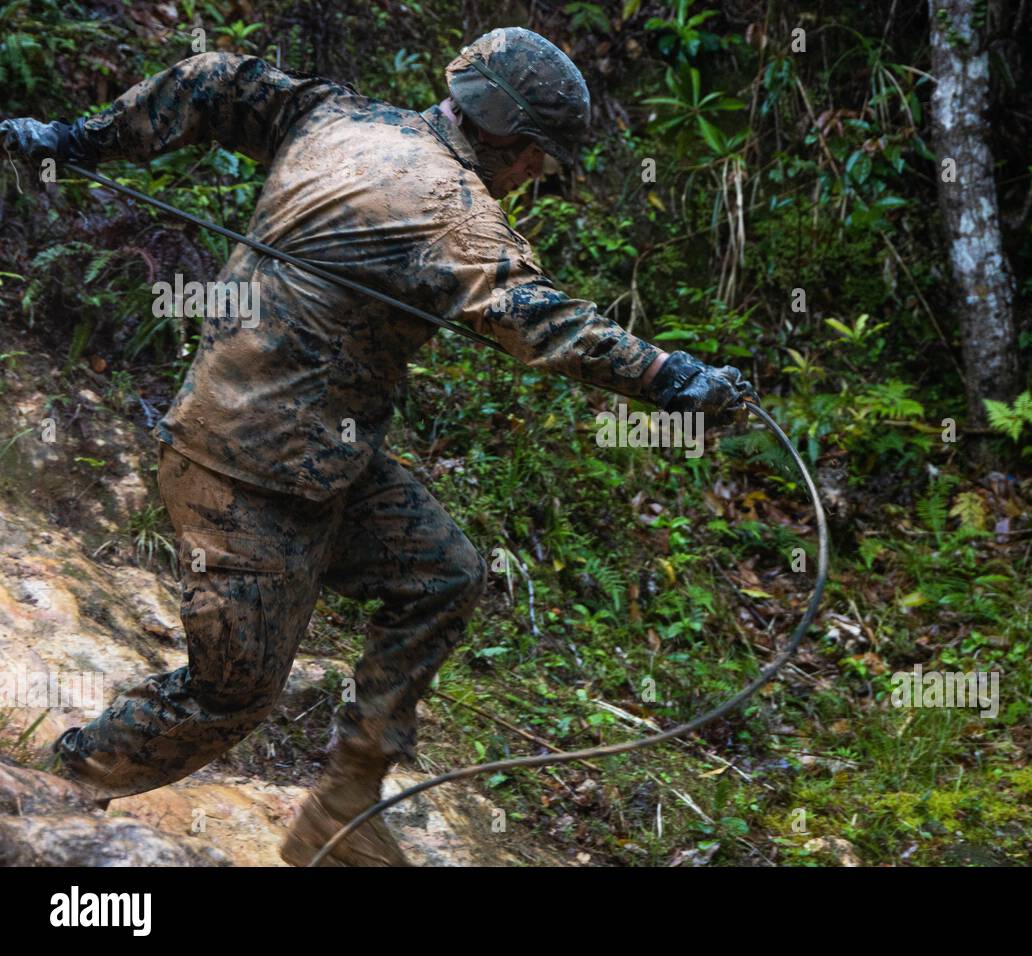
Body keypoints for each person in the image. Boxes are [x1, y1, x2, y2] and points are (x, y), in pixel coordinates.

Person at [0, 26, 754, 866]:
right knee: (233, 694)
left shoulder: (334, 117)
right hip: (242, 477)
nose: (531, 179)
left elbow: (213, 80)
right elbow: (543, 321)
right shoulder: (451, 210)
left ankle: (344, 804)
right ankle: (49, 784)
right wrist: (673, 377)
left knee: (443, 574)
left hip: (318, 461)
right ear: (506, 135)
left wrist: (78, 139)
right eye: (536, 160)